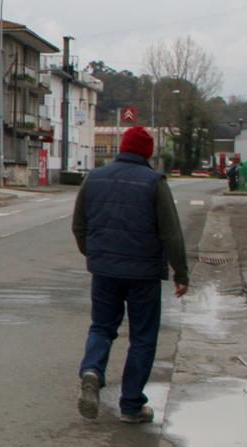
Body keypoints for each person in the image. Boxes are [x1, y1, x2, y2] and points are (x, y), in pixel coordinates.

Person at [72, 125, 189, 423]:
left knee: (101, 326)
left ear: (122, 148)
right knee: (143, 337)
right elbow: (171, 232)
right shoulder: (154, 183)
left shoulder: (94, 178)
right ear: (147, 153)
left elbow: (79, 225)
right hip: (143, 274)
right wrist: (181, 272)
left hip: (104, 271)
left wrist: (94, 254)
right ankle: (131, 405)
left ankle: (92, 370)